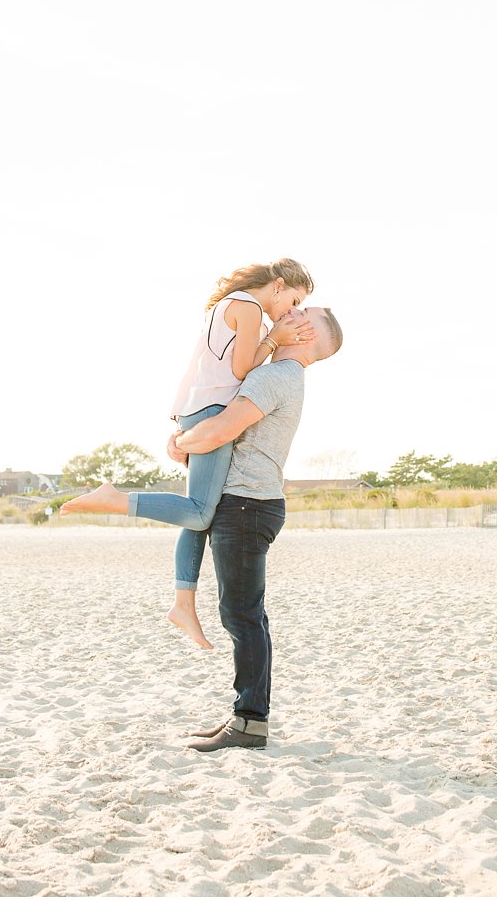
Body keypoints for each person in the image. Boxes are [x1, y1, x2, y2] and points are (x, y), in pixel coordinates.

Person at [63, 306, 344, 752]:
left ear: (307, 333)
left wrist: (180, 442)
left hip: (247, 506)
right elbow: (218, 435)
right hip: (250, 504)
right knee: (247, 614)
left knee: (242, 616)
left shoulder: (275, 377)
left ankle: (250, 722)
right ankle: (246, 717)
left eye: (300, 311)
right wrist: (189, 444)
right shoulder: (281, 376)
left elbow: (219, 432)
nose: (289, 311)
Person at [61, 259, 316, 651]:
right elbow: (242, 368)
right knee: (199, 511)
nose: (291, 312)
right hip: (213, 408)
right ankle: (117, 500)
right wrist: (274, 338)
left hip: (200, 405)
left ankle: (183, 604)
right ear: (278, 285)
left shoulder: (232, 304)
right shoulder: (248, 307)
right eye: (293, 300)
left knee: (200, 514)